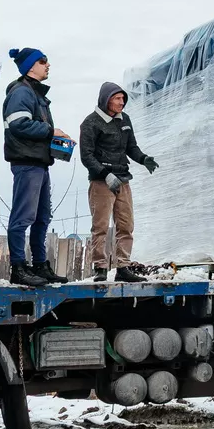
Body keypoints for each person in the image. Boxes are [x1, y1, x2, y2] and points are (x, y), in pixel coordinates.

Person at [3, 48, 72, 287]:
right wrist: (52, 131)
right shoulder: (21, 92)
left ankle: (40, 265)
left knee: (42, 218)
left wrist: (55, 140)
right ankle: (18, 268)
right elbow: (18, 124)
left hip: (39, 163)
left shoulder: (35, 93)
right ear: (30, 66)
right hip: (26, 163)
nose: (47, 65)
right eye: (43, 61)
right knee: (23, 217)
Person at [80, 82, 158, 283]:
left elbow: (131, 147)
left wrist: (143, 158)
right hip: (101, 181)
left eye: (123, 98)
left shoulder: (125, 120)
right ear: (106, 100)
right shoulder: (91, 123)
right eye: (117, 98)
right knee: (101, 226)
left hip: (123, 178)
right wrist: (105, 174)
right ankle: (100, 267)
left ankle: (123, 266)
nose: (121, 102)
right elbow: (86, 156)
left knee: (126, 224)